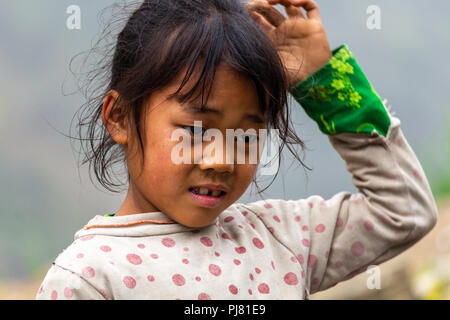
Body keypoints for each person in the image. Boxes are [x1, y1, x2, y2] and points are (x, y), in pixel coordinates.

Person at [36, 0, 438, 300]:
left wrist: (324, 82)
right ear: (120, 117)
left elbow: (403, 210)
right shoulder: (87, 277)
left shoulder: (280, 238)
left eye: (246, 135)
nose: (223, 159)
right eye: (195, 130)